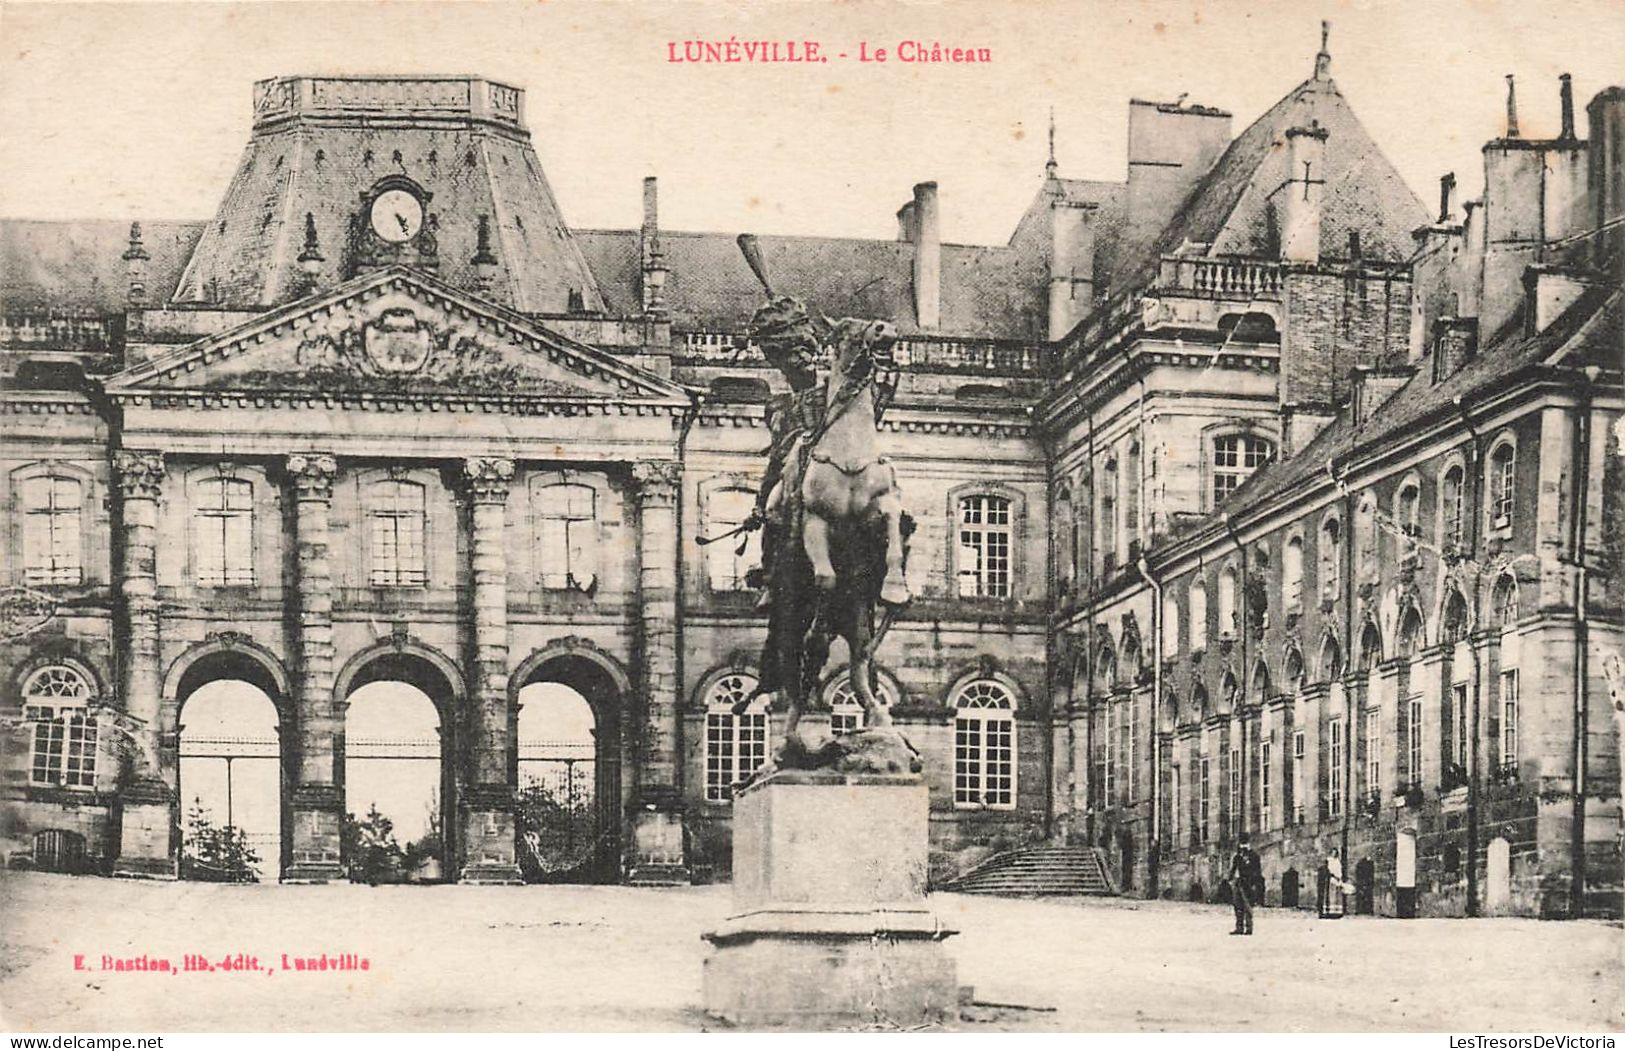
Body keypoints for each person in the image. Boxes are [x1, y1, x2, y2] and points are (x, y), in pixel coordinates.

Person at [1228, 832, 1262, 935]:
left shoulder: (1253, 856)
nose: (1242, 846)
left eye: (1243, 843)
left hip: (1248, 883)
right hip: (1238, 883)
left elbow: (1257, 871)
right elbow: (1233, 869)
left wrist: (1255, 884)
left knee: (1247, 906)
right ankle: (1239, 927)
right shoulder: (1237, 856)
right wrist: (1230, 879)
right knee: (1238, 906)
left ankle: (1249, 928)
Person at [1320, 849, 1348, 919]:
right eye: (1333, 853)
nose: (1334, 854)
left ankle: (1337, 912)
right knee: (1331, 895)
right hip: (1332, 879)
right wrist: (1334, 876)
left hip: (1338, 879)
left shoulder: (1338, 861)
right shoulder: (1329, 860)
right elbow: (1329, 870)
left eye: (1335, 853)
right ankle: (1329, 912)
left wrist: (1339, 877)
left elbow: (1339, 870)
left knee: (1337, 895)